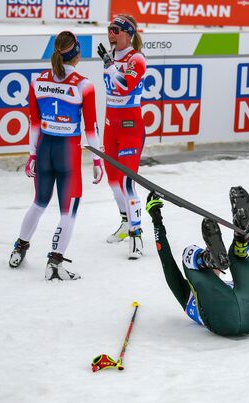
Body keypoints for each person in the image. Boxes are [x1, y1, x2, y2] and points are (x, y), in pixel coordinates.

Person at [8, 31, 103, 280]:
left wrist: (31, 155)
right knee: (68, 211)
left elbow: (34, 123)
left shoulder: (37, 81)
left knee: (39, 203)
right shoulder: (85, 85)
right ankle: (55, 262)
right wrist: (97, 159)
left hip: (44, 148)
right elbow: (90, 127)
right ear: (77, 55)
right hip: (67, 152)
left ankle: (19, 248)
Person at [146, 186, 249, 336]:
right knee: (239, 258)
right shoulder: (194, 291)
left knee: (192, 253)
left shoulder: (190, 295)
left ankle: (208, 257)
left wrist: (156, 220)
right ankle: (235, 245)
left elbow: (168, 263)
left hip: (237, 317)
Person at [97, 14, 147, 259]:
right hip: (111, 127)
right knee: (114, 182)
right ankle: (126, 223)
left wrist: (110, 65)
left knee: (128, 183)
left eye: (116, 30)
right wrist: (109, 63)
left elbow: (125, 85)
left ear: (129, 34)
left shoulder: (136, 58)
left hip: (130, 129)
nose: (111, 34)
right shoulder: (111, 57)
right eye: (109, 29)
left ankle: (137, 235)